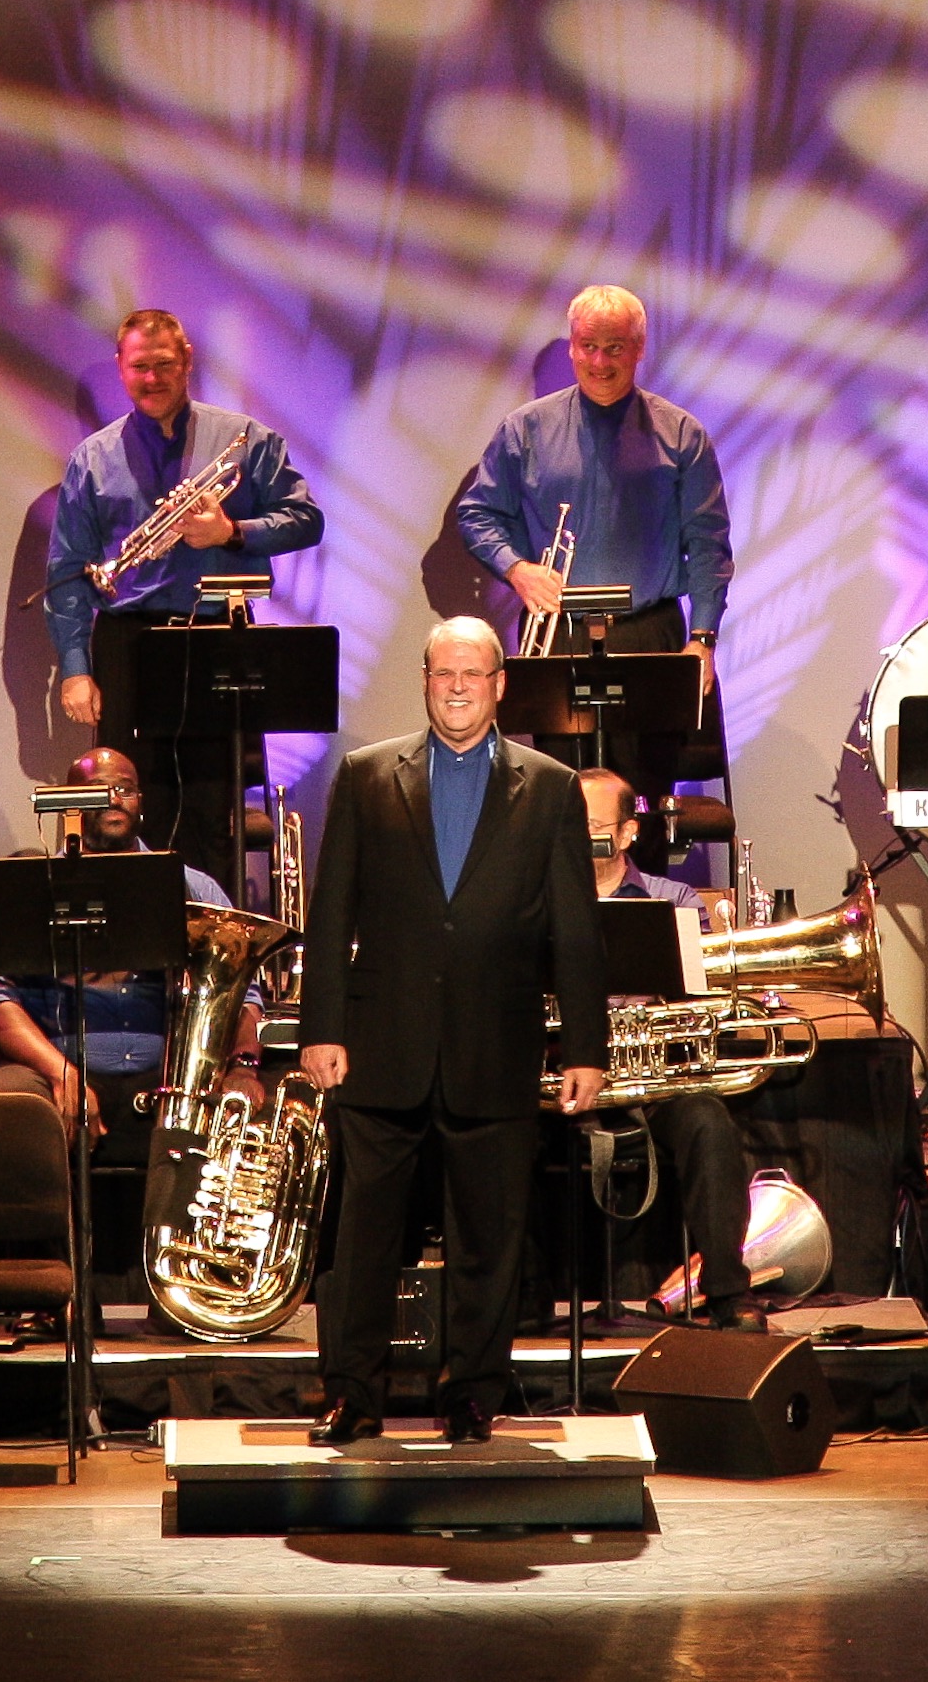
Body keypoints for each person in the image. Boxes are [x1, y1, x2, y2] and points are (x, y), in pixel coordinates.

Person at [296, 619, 611, 1446]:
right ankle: (352, 1394)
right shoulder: (368, 774)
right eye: (445, 673)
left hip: (495, 1045)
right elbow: (330, 913)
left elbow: (575, 929)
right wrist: (321, 1025)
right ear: (426, 680)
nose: (459, 686)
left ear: (500, 683)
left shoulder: (551, 787)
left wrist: (586, 1046)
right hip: (381, 1044)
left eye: (474, 672)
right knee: (364, 1238)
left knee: (488, 1239)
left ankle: (472, 1393)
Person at [42, 309, 325, 895]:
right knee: (123, 806)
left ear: (188, 360)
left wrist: (231, 532)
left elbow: (306, 520)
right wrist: (75, 668)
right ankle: (138, 934)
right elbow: (67, 572)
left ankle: (213, 939)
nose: (151, 378)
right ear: (121, 369)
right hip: (127, 643)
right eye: (138, 367)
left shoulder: (245, 440)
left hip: (215, 638)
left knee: (212, 809)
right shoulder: (92, 458)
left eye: (164, 364)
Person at [0, 749, 237, 1276]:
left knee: (222, 1109)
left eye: (127, 788)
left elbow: (240, 993)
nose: (115, 798)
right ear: (69, 804)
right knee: (9, 1104)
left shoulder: (194, 888)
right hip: (56, 1059)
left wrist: (243, 1064)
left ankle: (181, 1285)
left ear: (141, 802)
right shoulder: (25, 885)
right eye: (99, 790)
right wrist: (61, 1073)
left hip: (165, 1067)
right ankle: (44, 1287)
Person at [448, 287, 735, 748]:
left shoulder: (682, 434)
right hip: (560, 634)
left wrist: (702, 638)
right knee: (562, 783)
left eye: (615, 348)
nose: (600, 362)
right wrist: (518, 571)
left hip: (650, 636)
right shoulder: (524, 429)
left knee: (647, 782)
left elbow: (708, 544)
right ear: (572, 347)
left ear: (639, 348)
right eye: (588, 346)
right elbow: (478, 514)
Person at [576, 767, 758, 1325]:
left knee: (709, 1124)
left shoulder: (673, 898)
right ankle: (516, 1304)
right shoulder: (537, 900)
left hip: (653, 1081)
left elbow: (699, 1004)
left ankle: (728, 1295)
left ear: (628, 832)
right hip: (569, 1081)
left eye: (592, 825)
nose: (578, 836)